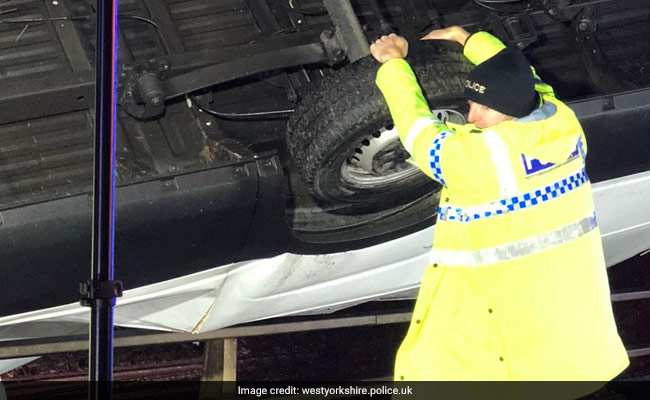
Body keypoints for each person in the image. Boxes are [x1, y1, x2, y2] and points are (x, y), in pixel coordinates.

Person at [369, 26, 629, 381]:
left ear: (511, 112)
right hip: (555, 359)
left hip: (529, 348)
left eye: (484, 108)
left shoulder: (487, 160)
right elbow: (526, 79)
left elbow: (417, 131)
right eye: (472, 103)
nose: (472, 116)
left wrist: (393, 63)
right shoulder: (560, 122)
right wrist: (467, 39)